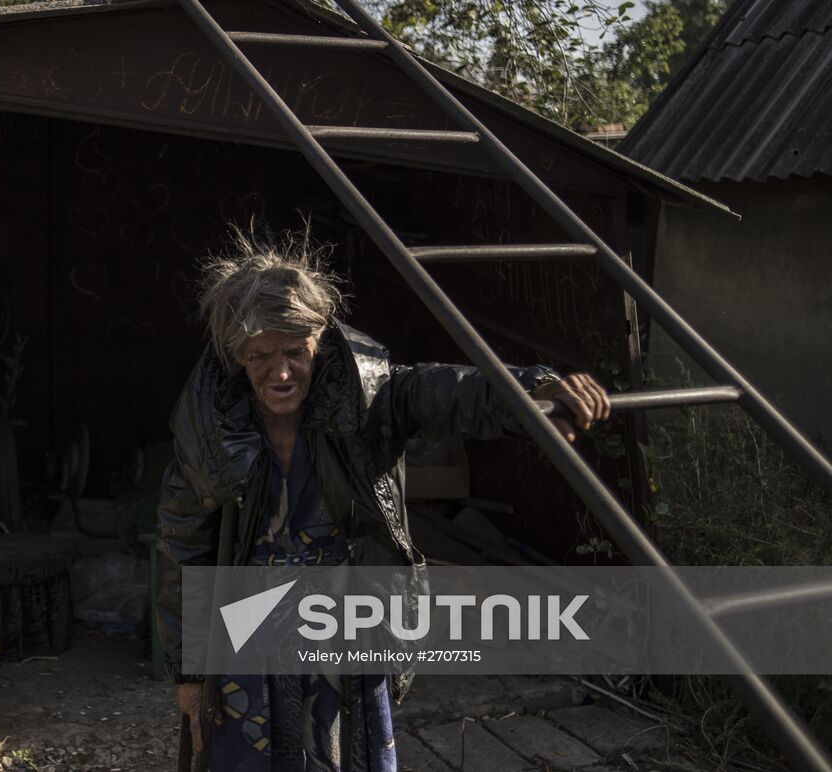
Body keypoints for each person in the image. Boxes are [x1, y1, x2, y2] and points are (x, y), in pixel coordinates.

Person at [157, 229, 610, 772]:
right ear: (236, 355)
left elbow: (446, 392)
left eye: (294, 351)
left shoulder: (367, 392)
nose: (280, 372)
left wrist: (527, 394)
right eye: (260, 356)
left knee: (346, 755)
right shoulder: (207, 424)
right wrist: (188, 672)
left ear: (319, 339)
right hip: (249, 632)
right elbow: (181, 544)